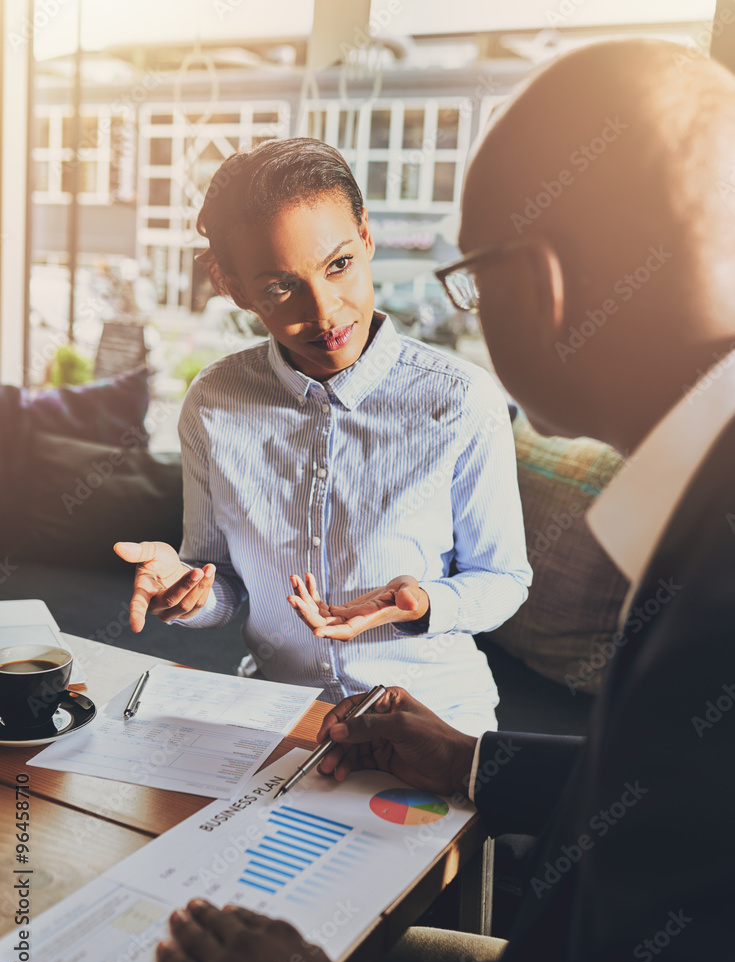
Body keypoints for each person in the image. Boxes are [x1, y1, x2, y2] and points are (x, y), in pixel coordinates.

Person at [154, 37, 735, 962]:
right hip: (318, 735)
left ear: (540, 287)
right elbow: (682, 807)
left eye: (471, 274)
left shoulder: (709, 571)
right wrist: (471, 761)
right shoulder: (698, 521)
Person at [115, 137, 532, 735]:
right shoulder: (213, 403)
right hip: (279, 716)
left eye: (339, 265)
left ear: (365, 236)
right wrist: (189, 591)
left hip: (436, 718)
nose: (326, 312)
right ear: (232, 286)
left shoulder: (462, 400)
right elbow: (222, 585)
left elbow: (503, 580)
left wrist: (426, 605)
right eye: (281, 287)